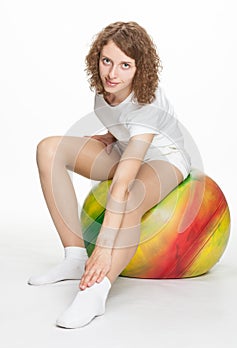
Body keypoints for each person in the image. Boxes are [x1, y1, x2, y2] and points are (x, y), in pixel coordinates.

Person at [28, 21, 191, 328]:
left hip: (164, 159)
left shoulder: (147, 102)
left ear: (139, 69)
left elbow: (124, 182)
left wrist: (102, 249)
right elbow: (124, 123)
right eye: (107, 61)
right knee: (48, 149)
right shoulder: (106, 90)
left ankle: (95, 291)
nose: (112, 74)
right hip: (129, 148)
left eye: (125, 65)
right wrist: (111, 136)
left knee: (128, 195)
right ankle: (75, 258)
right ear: (97, 59)